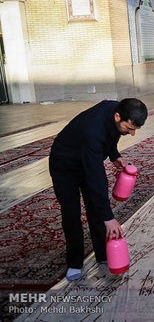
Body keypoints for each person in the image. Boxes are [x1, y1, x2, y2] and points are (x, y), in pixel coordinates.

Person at [49, 98, 148, 281]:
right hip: (64, 165)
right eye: (130, 128)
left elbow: (112, 135)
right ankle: (75, 262)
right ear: (118, 116)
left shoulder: (117, 110)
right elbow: (97, 179)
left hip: (87, 155)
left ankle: (103, 256)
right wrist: (109, 218)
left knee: (96, 210)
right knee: (72, 213)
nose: (132, 134)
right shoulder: (92, 131)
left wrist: (114, 155)